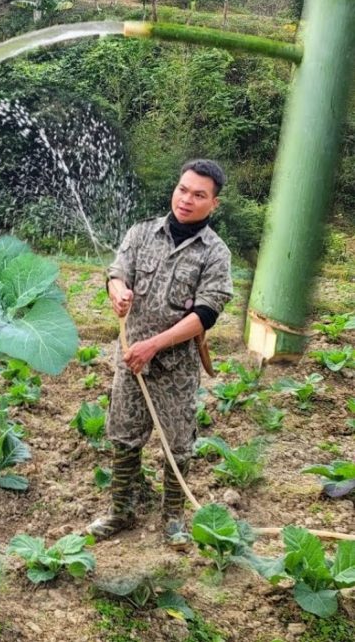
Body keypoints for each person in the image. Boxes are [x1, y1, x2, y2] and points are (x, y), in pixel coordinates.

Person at [86, 159, 234, 547]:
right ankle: (121, 511)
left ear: (213, 204)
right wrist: (116, 291)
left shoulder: (215, 254)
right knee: (123, 437)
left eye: (199, 195)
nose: (187, 199)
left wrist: (155, 344)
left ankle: (173, 518)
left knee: (178, 443)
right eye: (183, 189)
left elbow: (206, 314)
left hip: (175, 367)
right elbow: (117, 273)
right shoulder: (141, 233)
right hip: (132, 362)